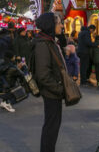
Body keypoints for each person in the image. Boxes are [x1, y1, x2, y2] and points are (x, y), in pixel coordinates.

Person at [32, 12, 65, 152]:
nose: (62, 26)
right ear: (51, 25)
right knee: (51, 126)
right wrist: (59, 89)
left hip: (53, 90)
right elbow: (43, 75)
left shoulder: (49, 41)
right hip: (51, 92)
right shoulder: (43, 44)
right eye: (59, 23)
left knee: (53, 126)